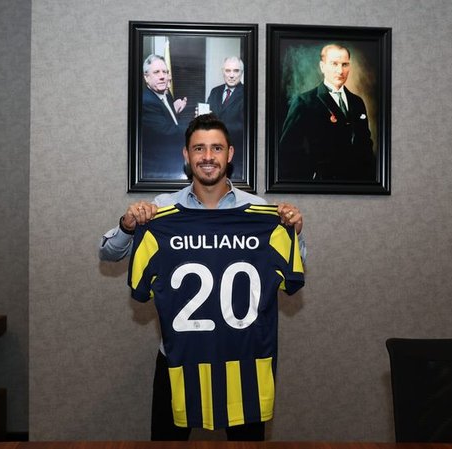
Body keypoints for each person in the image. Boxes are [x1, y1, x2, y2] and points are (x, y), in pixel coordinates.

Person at [99, 114, 306, 441]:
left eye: (216, 148)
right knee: (167, 442)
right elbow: (108, 253)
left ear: (229, 154)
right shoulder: (160, 212)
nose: (208, 157)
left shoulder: (260, 212)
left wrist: (294, 232)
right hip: (178, 358)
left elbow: (294, 269)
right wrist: (128, 225)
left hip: (244, 358)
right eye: (199, 148)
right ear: (187, 155)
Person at [279, 44, 376, 181]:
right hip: (322, 183)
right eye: (334, 64)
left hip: (356, 183)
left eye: (344, 64)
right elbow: (288, 150)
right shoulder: (304, 102)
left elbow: (366, 144)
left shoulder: (357, 102)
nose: (340, 70)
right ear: (322, 67)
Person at [141, 54, 188, 179]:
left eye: (165, 72)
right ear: (146, 77)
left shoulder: (167, 95)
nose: (162, 76)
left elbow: (168, 120)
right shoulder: (146, 102)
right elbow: (167, 131)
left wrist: (174, 111)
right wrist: (196, 126)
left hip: (174, 162)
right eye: (156, 72)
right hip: (158, 169)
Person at [205, 56, 245, 179]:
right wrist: (201, 117)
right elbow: (207, 118)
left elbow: (244, 126)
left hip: (235, 155)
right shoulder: (215, 91)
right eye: (228, 71)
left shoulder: (248, 93)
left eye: (236, 71)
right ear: (223, 72)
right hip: (212, 152)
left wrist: (216, 125)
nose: (231, 75)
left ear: (241, 73)